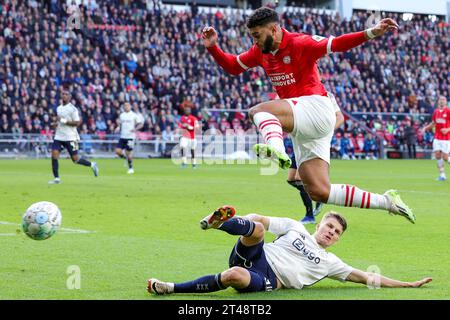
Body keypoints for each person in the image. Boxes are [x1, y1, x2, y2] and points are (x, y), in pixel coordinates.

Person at [202, 7, 415, 223]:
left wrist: (371, 32)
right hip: (303, 124)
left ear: (274, 29)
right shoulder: (260, 52)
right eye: (252, 36)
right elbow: (233, 66)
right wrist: (213, 48)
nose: (255, 41)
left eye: (257, 35)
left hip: (316, 108)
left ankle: (276, 149)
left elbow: (337, 43)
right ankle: (387, 201)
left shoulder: (299, 42)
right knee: (319, 191)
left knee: (257, 111)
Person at [147, 205, 432, 295]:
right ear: (319, 225)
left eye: (336, 232)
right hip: (255, 254)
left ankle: (169, 288)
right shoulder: (295, 227)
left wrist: (407, 283)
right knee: (257, 229)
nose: (330, 232)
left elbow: (366, 278)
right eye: (328, 226)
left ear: (337, 240)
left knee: (234, 275)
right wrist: (238, 220)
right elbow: (260, 219)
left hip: (269, 279)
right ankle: (217, 224)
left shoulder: (330, 262)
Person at [49, 88, 99, 184]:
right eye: (63, 94)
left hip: (71, 137)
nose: (64, 95)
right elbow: (59, 122)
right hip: (59, 136)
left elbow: (77, 123)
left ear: (70, 97)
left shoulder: (73, 109)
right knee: (54, 155)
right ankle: (57, 179)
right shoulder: (58, 108)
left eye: (66, 94)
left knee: (75, 159)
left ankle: (92, 165)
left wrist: (63, 121)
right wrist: (55, 124)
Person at [422, 96, 450, 181]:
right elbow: (433, 123)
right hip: (437, 137)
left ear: (446, 102)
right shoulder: (436, 112)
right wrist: (425, 128)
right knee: (437, 155)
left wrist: (448, 129)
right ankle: (442, 175)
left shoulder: (448, 111)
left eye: (443, 100)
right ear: (438, 102)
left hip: (446, 138)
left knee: (445, 157)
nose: (441, 101)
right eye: (440, 100)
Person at [114, 102, 144, 174]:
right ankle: (125, 158)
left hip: (130, 137)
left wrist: (135, 129)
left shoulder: (134, 115)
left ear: (130, 106)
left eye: (127, 105)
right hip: (122, 136)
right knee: (117, 151)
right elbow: (120, 124)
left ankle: (131, 168)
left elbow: (141, 124)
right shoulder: (122, 115)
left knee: (129, 153)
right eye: (125, 106)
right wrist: (118, 128)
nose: (126, 107)